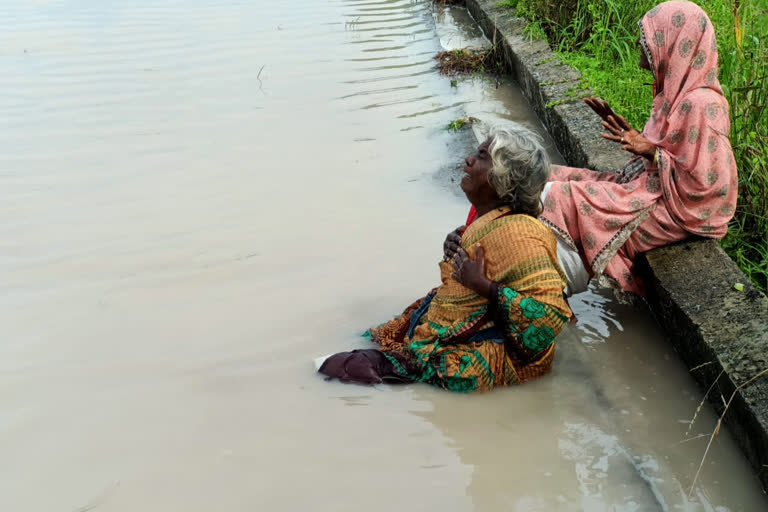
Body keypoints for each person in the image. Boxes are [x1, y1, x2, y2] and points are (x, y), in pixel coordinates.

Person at [469, 1, 738, 297]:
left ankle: (530, 285)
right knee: (551, 175)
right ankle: (499, 250)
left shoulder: (702, 105)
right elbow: (676, 154)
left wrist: (653, 152)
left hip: (680, 213)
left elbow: (713, 187)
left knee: (564, 196)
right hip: (651, 187)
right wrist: (638, 141)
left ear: (675, 42)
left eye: (649, 39)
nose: (641, 45)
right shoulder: (671, 94)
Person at [318, 125, 572, 393]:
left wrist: (485, 287)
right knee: (373, 338)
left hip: (488, 356)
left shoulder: (522, 232)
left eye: (483, 156)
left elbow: (549, 316)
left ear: (504, 178)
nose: (469, 160)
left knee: (342, 367)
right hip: (457, 331)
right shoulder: (488, 219)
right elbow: (471, 273)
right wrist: (456, 245)